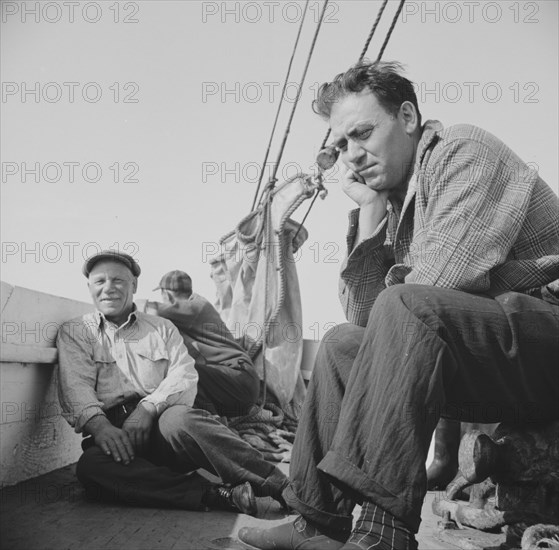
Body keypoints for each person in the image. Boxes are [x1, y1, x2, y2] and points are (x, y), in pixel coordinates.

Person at [238, 61, 559, 550]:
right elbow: (368, 324)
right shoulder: (395, 203)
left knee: (407, 304)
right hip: (495, 359)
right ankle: (316, 521)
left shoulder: (464, 151)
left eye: (362, 133)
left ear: (407, 117)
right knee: (344, 344)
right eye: (340, 145)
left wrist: (394, 290)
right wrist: (368, 212)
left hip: (545, 345)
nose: (352, 156)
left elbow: (437, 284)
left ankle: (383, 530)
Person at [56, 250, 288, 515]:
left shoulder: (163, 327)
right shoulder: (75, 332)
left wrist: (147, 408)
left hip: (162, 428)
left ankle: (282, 487)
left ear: (134, 286)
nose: (109, 288)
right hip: (115, 435)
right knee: (91, 468)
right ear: (89, 288)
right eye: (100, 282)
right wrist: (100, 428)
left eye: (118, 281)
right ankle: (218, 495)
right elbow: (76, 386)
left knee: (182, 419)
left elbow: (184, 374)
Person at [144, 270, 260, 419]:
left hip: (239, 382)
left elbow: (147, 311)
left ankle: (206, 419)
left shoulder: (194, 306)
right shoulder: (196, 307)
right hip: (235, 386)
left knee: (181, 371)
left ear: (167, 294)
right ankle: (211, 415)